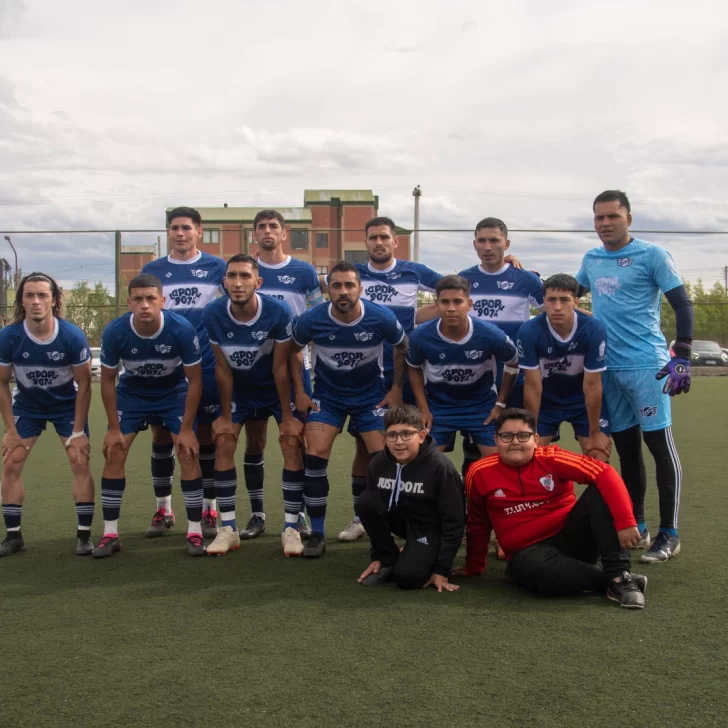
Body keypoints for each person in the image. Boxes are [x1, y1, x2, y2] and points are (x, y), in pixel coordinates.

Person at [576, 190, 692, 563]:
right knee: (627, 450)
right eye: (599, 218)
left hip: (647, 366)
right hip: (608, 368)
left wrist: (684, 356)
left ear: (628, 218)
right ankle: (638, 525)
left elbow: (682, 303)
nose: (606, 223)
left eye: (613, 216)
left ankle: (669, 534)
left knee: (660, 446)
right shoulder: (591, 259)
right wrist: (521, 273)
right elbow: (565, 291)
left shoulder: (653, 255)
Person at [320, 216, 442, 543]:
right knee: (367, 447)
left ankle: (413, 515)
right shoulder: (353, 277)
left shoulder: (413, 271)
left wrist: (418, 317)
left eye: (384, 237)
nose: (378, 242)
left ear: (394, 242)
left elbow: (451, 289)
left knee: (410, 444)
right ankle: (364, 515)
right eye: (372, 237)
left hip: (405, 370)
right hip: (367, 376)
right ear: (366, 242)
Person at [457, 409, 647, 609]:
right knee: (530, 569)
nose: (515, 442)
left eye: (523, 436)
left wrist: (625, 521)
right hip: (530, 553)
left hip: (574, 540)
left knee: (601, 490)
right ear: (496, 439)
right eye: (506, 436)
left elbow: (605, 473)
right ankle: (612, 580)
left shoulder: (552, 457)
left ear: (535, 438)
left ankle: (619, 576)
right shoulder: (479, 472)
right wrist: (474, 566)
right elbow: (478, 523)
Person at [290, 260, 408, 558]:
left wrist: (394, 389)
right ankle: (317, 533)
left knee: (382, 457)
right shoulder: (311, 319)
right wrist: (302, 391)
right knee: (314, 455)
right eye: (337, 286)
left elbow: (403, 346)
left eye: (349, 285)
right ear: (328, 289)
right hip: (328, 397)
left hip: (370, 397)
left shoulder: (380, 317)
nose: (343, 291)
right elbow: (291, 349)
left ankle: (371, 523)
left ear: (360, 288)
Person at [202, 254, 305, 557]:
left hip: (274, 387)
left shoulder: (278, 311)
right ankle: (228, 529)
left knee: (289, 442)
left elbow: (281, 368)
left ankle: (291, 528)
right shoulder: (212, 314)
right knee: (224, 441)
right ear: (224, 282)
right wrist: (224, 415)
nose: (238, 282)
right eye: (232, 276)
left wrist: (287, 415)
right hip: (240, 390)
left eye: (245, 276)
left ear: (258, 282)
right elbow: (221, 368)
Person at [95, 273, 204, 558]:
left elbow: (195, 380)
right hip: (133, 392)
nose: (144, 305)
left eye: (150, 299)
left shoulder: (181, 329)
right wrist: (113, 428)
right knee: (115, 452)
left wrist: (189, 428)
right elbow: (107, 381)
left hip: (172, 391)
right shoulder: (115, 332)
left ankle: (194, 531)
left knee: (187, 452)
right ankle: (110, 533)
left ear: (162, 301)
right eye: (138, 299)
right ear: (128, 302)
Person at [141, 207, 226, 540]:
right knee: (162, 438)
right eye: (174, 228)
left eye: (186, 228)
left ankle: (208, 508)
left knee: (203, 438)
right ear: (168, 232)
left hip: (203, 365)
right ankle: (164, 508)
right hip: (165, 367)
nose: (180, 233)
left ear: (199, 231)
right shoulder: (153, 269)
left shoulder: (218, 268)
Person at [239, 209, 323, 540]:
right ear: (254, 235)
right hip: (253, 372)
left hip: (294, 369)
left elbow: (317, 317)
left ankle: (297, 513)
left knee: (296, 440)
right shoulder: (244, 271)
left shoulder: (303, 272)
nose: (268, 231)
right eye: (261, 227)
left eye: (274, 226)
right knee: (255, 440)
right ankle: (257, 514)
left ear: (284, 233)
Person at [0, 273, 95, 557]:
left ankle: (84, 536)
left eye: (42, 295)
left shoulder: (72, 336)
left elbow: (86, 385)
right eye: (29, 295)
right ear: (22, 301)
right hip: (28, 405)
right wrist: (10, 430)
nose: (36, 301)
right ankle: (13, 536)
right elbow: (2, 383)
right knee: (11, 462)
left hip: (66, 404)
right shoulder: (9, 337)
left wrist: (78, 432)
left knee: (79, 460)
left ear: (54, 301)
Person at [456, 217, 545, 478]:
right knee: (475, 447)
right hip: (476, 377)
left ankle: (518, 503)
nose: (488, 246)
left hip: (516, 376)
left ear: (506, 244)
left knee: (518, 440)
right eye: (482, 240)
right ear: (474, 244)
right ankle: (473, 504)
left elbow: (551, 311)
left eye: (494, 240)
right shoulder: (463, 279)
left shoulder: (526, 280)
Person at [407, 275, 520, 457]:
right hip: (439, 406)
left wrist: (500, 404)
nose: (451, 308)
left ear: (469, 304)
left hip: (481, 406)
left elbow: (513, 363)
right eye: (445, 302)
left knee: (500, 463)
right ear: (436, 305)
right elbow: (413, 367)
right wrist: (423, 408)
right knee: (421, 461)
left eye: (457, 302)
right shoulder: (420, 336)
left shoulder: (490, 335)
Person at [356, 405, 464, 591]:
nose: (399, 442)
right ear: (384, 438)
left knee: (408, 578)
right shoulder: (379, 463)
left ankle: (416, 553)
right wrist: (377, 555)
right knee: (366, 501)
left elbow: (455, 520)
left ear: (421, 436)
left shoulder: (440, 466)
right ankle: (387, 559)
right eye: (392, 435)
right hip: (402, 519)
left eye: (407, 434)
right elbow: (373, 507)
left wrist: (442, 569)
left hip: (430, 527)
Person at [518, 273, 611, 460]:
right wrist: (531, 431)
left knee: (598, 457)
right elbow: (533, 386)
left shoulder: (593, 329)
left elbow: (592, 385)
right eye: (551, 300)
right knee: (529, 456)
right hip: (546, 402)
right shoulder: (529, 331)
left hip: (581, 401)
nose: (557, 307)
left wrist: (595, 433)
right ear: (543, 301)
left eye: (564, 300)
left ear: (575, 301)